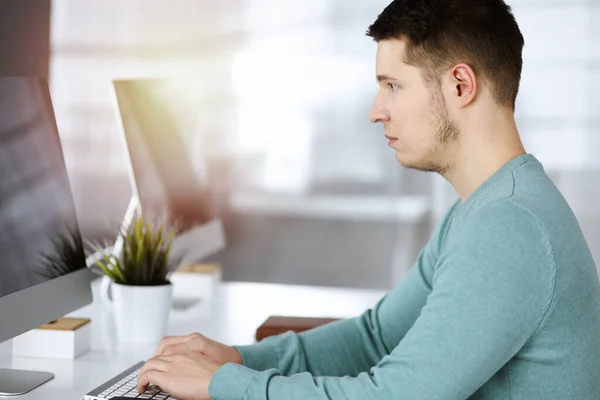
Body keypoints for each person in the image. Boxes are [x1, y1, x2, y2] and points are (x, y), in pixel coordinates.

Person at [135, 0, 600, 398]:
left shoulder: (508, 226)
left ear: (460, 85)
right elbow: (376, 338)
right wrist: (236, 359)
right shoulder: (481, 210)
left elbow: (394, 396)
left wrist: (223, 385)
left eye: (393, 85)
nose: (377, 111)